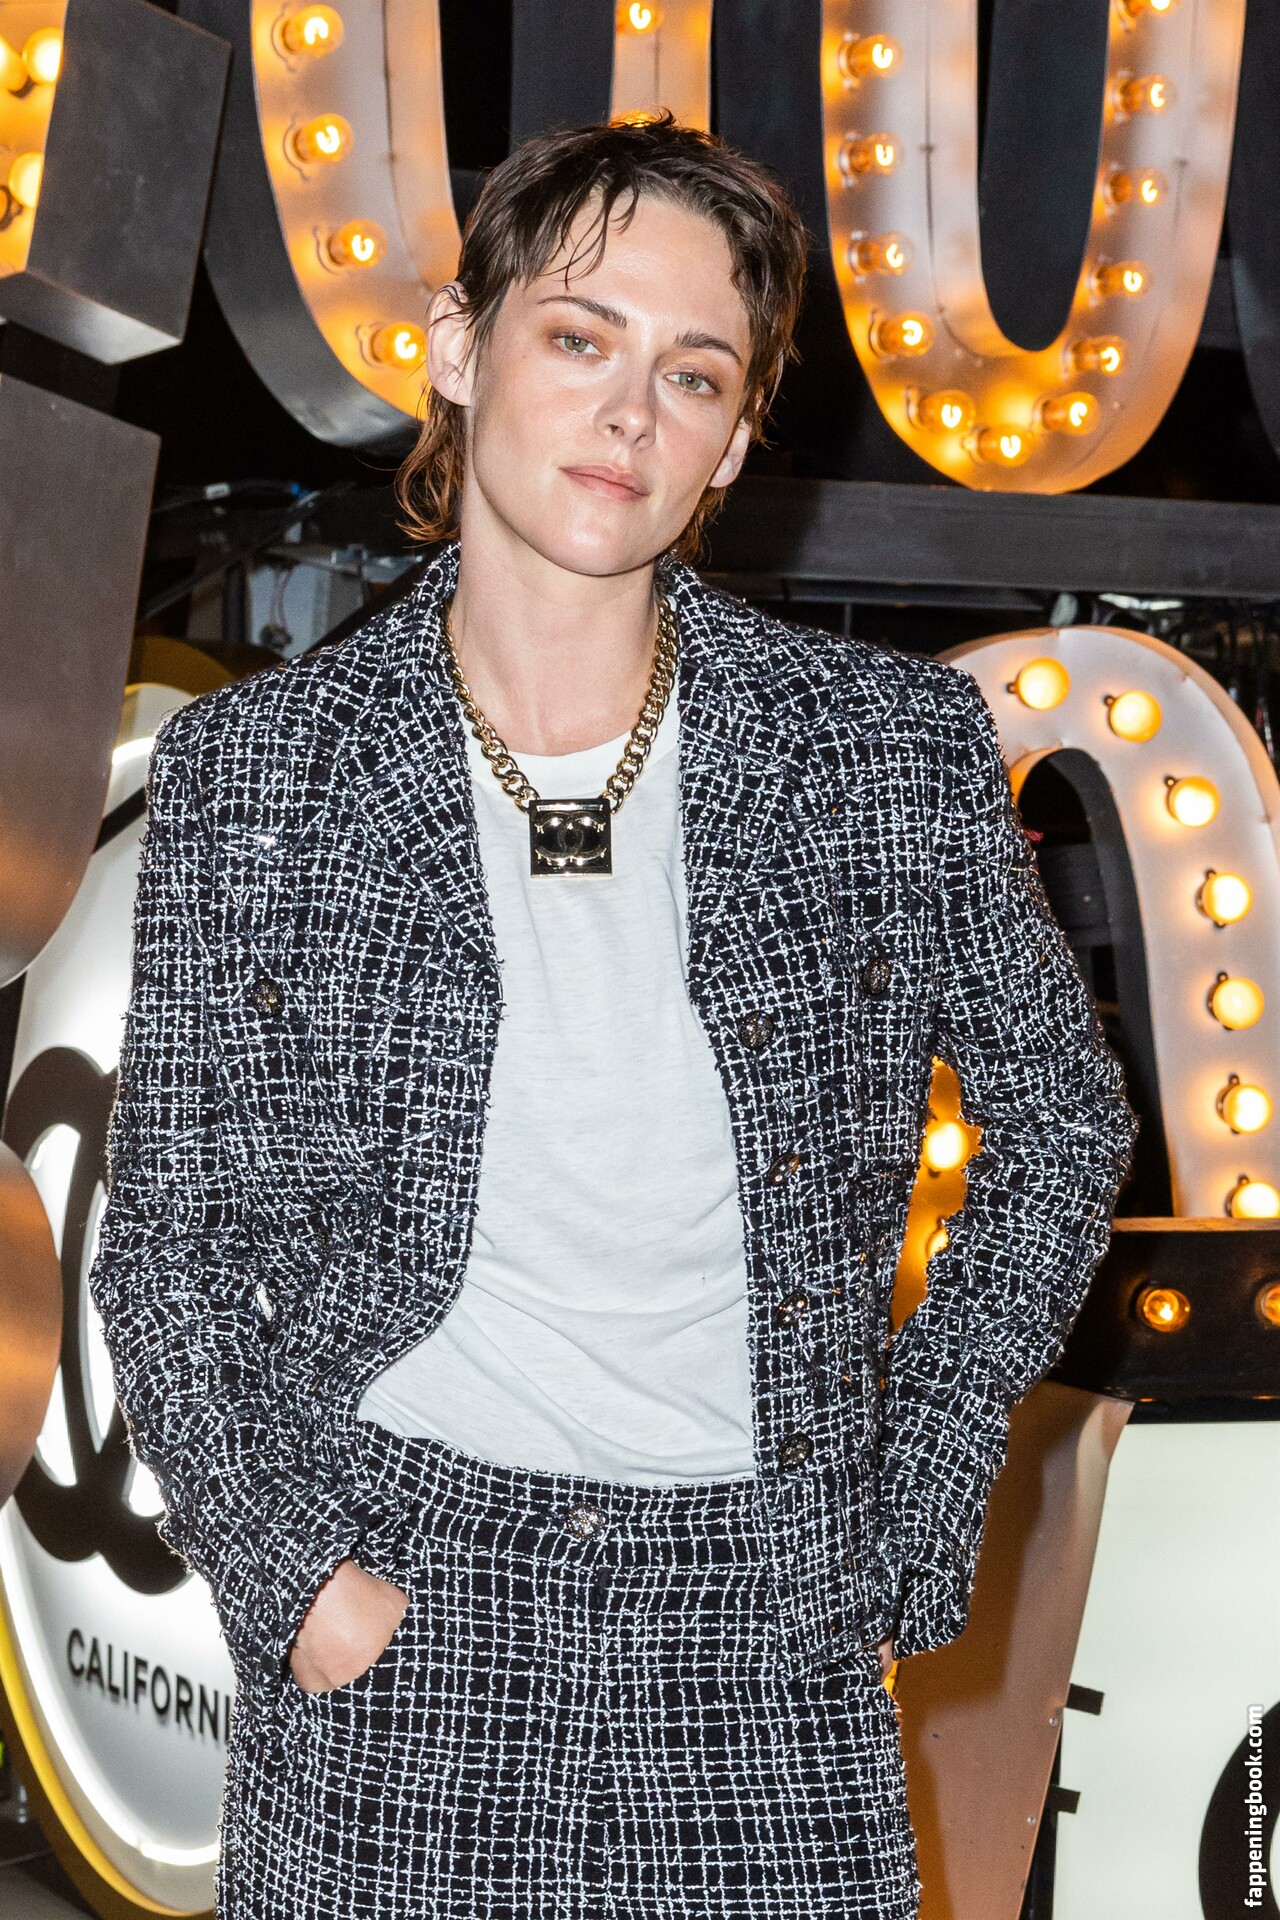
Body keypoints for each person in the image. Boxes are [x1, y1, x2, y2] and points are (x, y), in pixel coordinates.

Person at [90, 114, 1137, 1919]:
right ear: (460, 346)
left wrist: (911, 1492)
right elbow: (168, 1249)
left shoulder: (877, 755)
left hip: (766, 1629)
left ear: (735, 434)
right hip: (403, 1613)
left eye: (694, 372)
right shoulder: (263, 777)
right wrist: (297, 1581)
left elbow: (1064, 1131)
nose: (631, 412)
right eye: (580, 337)